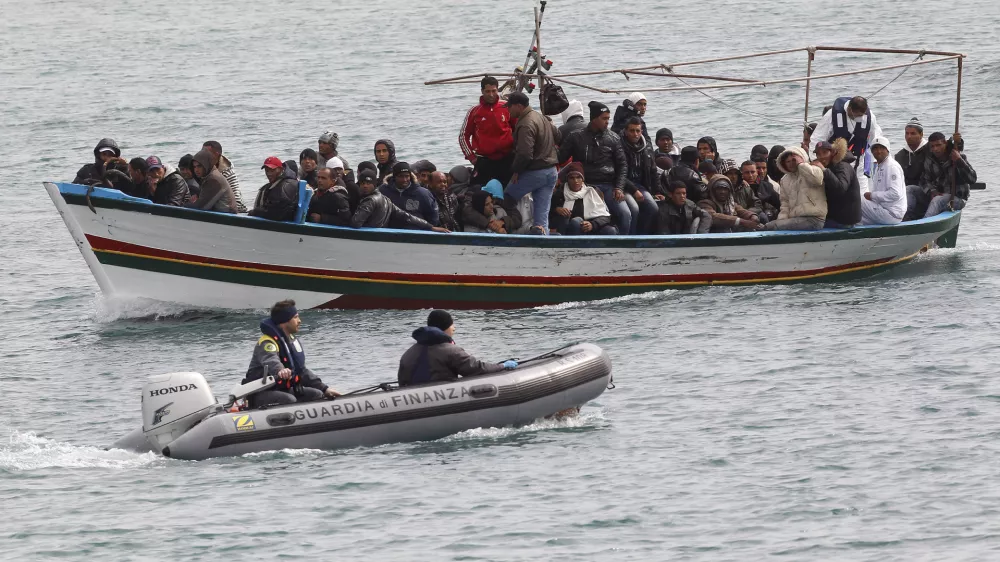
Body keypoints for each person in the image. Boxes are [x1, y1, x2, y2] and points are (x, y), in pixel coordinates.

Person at [243, 300, 341, 408]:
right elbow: (271, 360)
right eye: (295, 317)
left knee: (316, 394)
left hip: (281, 389)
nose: (299, 321)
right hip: (260, 393)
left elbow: (302, 371)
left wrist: (324, 388)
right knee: (289, 400)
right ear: (284, 321)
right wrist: (280, 370)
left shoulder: (291, 341)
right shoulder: (267, 343)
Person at [558, 101, 635, 235]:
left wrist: (619, 187)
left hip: (608, 186)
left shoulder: (613, 138)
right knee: (578, 217)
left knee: (626, 213)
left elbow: (622, 165)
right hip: (585, 186)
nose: (607, 122)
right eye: (604, 118)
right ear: (594, 118)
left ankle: (623, 243)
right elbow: (560, 159)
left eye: (608, 118)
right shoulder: (576, 136)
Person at [397, 310, 516, 387]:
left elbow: (402, 382)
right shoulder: (450, 351)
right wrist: (502, 366)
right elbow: (476, 368)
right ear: (444, 327)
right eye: (451, 324)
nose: (454, 328)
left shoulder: (408, 353)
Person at [505, 91, 561, 235]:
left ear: (518, 106)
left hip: (536, 172)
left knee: (507, 198)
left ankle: (511, 231)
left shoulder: (525, 123)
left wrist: (516, 171)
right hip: (551, 172)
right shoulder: (540, 117)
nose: (508, 110)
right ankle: (542, 240)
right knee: (542, 217)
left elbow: (525, 154)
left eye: (509, 106)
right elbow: (559, 135)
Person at [808, 96, 883, 190]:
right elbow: (817, 138)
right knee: (838, 190)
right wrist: (815, 160)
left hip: (858, 163)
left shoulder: (869, 117)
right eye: (857, 115)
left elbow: (875, 138)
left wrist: (878, 158)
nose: (860, 118)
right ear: (849, 109)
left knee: (862, 193)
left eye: (862, 115)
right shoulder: (831, 115)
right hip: (836, 164)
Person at [459, 76, 515, 186]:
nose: (491, 94)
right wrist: (472, 158)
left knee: (509, 191)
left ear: (497, 90)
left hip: (507, 159)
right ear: (482, 91)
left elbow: (520, 130)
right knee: (477, 191)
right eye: (487, 91)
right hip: (484, 161)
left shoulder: (507, 107)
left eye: (494, 91)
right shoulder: (474, 111)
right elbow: (463, 136)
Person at [352, 170, 449, 232]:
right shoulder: (385, 199)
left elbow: (355, 223)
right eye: (362, 183)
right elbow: (406, 216)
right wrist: (430, 227)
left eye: (368, 183)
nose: (365, 186)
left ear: (374, 184)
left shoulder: (370, 200)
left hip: (371, 237)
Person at [909, 131, 977, 218]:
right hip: (937, 195)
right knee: (910, 189)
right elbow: (924, 180)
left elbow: (972, 179)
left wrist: (959, 161)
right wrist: (932, 191)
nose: (935, 149)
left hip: (955, 199)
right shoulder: (930, 160)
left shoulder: (958, 157)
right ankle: (906, 218)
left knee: (938, 200)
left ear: (945, 143)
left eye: (938, 145)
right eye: (932, 146)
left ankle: (925, 223)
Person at [764, 147, 826, 231]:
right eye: (788, 161)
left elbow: (817, 180)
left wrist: (801, 164)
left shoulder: (814, 169)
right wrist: (781, 220)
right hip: (796, 220)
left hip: (815, 219)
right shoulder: (785, 180)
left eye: (794, 160)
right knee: (773, 225)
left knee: (771, 226)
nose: (791, 164)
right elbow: (785, 204)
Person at [549, 163, 618, 235]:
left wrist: (592, 224)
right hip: (570, 229)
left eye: (578, 177)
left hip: (592, 227)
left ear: (583, 179)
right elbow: (548, 216)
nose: (575, 181)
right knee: (576, 221)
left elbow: (606, 217)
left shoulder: (592, 191)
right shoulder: (560, 193)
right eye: (572, 178)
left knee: (610, 231)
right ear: (567, 180)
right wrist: (556, 210)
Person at [620, 117, 661, 234]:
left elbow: (653, 171)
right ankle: (630, 237)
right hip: (623, 185)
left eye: (638, 131)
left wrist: (658, 191)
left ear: (641, 131)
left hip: (641, 185)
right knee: (634, 208)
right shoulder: (619, 147)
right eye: (632, 131)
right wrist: (634, 190)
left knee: (653, 208)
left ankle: (643, 235)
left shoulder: (646, 147)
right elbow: (618, 173)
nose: (635, 134)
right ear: (626, 131)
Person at [814, 139, 861, 228]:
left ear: (832, 153)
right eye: (818, 154)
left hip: (844, 220)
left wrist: (824, 170)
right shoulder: (830, 166)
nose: (821, 157)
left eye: (824, 152)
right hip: (836, 215)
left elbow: (841, 188)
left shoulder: (843, 166)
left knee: (810, 224)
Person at [862, 137, 906, 225]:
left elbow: (895, 194)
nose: (878, 151)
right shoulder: (880, 166)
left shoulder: (891, 166)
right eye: (875, 148)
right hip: (884, 209)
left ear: (887, 149)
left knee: (858, 200)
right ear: (872, 151)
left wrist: (872, 195)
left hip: (892, 213)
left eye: (882, 148)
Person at [698, 177, 763, 233]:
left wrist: (752, 216)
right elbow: (713, 216)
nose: (722, 192)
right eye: (719, 188)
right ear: (712, 190)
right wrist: (741, 221)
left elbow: (741, 210)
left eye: (725, 189)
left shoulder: (731, 204)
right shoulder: (705, 203)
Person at [201, 141, 247, 213]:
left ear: (216, 155)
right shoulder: (203, 167)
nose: (202, 156)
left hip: (230, 211)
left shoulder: (227, 173)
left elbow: (236, 199)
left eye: (206, 153)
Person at [249, 156, 299, 221]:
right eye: (267, 170)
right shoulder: (273, 185)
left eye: (272, 170)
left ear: (281, 169)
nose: (269, 173)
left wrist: (256, 212)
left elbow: (276, 214)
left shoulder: (285, 186)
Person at [187, 148, 237, 213]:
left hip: (227, 215)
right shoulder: (209, 176)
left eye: (199, 166)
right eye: (194, 167)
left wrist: (185, 205)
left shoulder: (213, 179)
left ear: (206, 165)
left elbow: (202, 207)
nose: (196, 170)